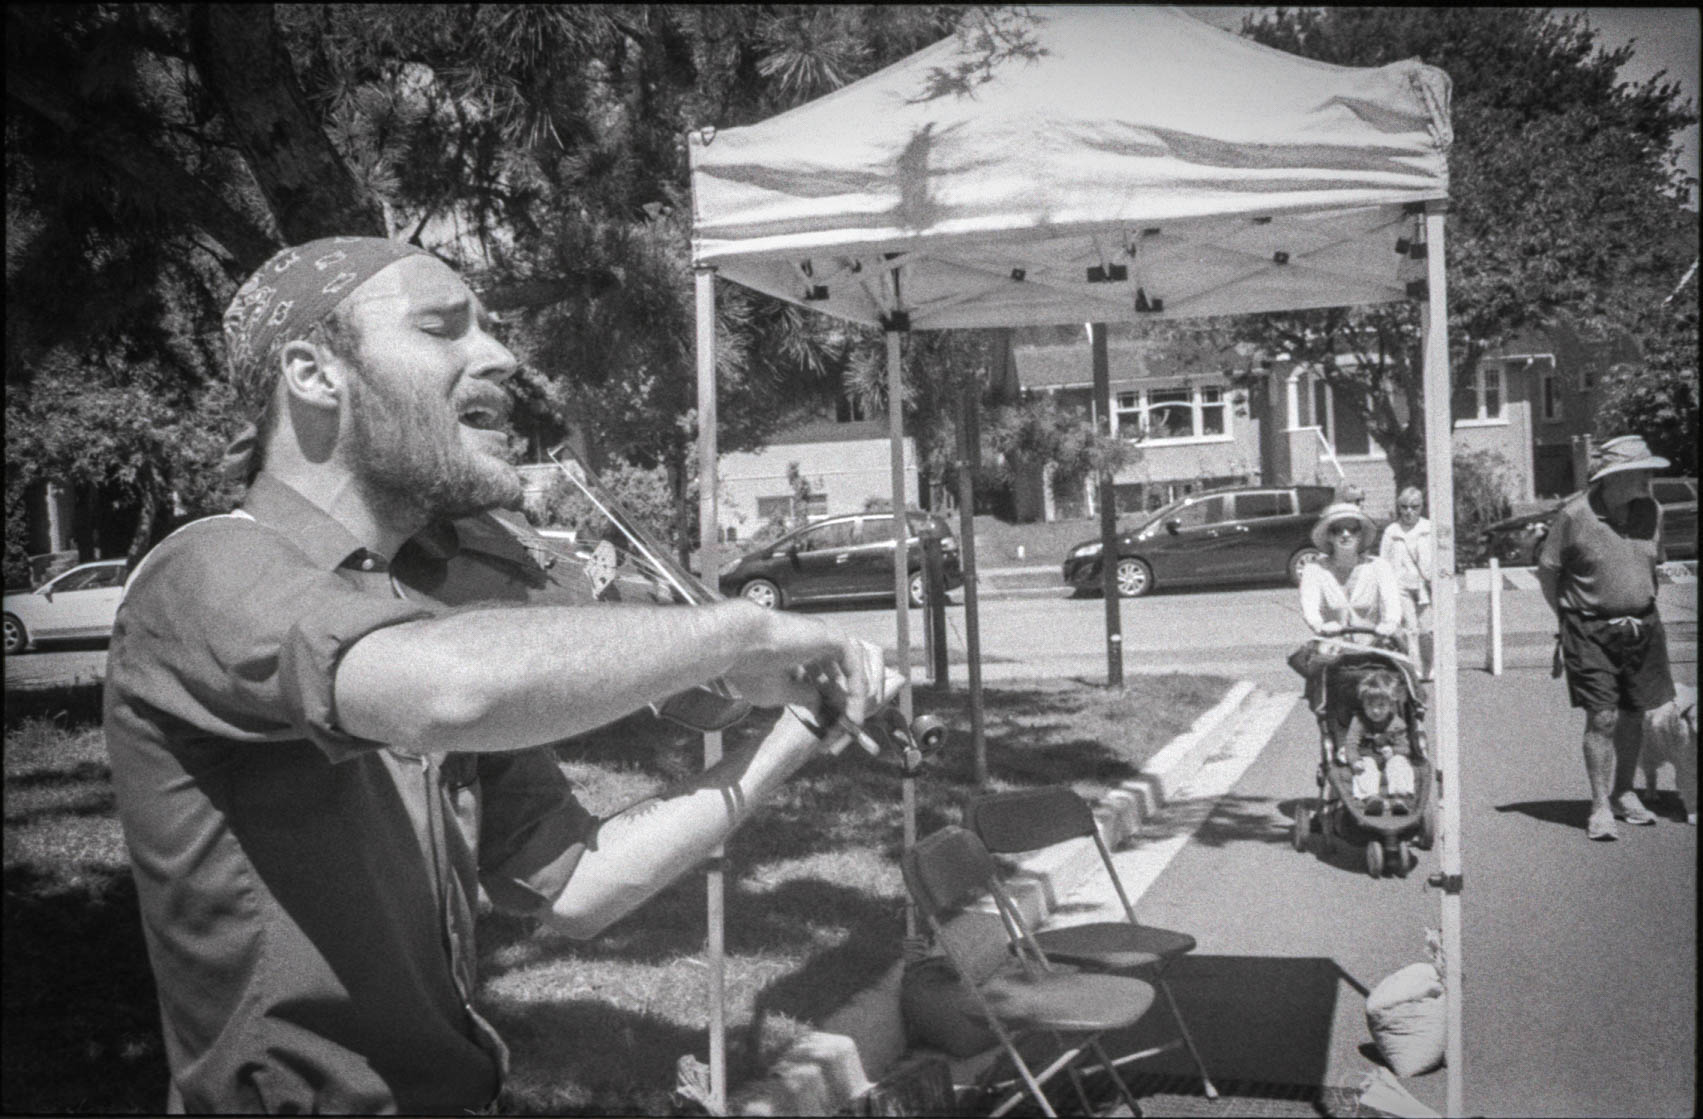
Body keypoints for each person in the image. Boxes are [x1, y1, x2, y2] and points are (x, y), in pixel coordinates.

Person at [103, 236, 893, 1114]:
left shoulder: (423, 605)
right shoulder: (207, 575)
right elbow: (450, 691)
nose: (502, 356)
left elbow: (578, 885)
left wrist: (799, 729)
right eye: (443, 327)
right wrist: (736, 628)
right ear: (313, 373)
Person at [1536, 434, 1676, 842]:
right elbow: (1548, 572)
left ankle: (1624, 792)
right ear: (1615, 477)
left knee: (1634, 712)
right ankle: (1599, 806)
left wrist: (1637, 606)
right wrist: (1566, 619)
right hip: (1588, 628)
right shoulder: (1574, 516)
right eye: (1641, 472)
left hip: (1642, 626)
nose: (1649, 478)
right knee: (1603, 715)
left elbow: (1653, 567)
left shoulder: (1653, 511)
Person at [1298, 502, 1410, 801]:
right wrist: (1322, 624)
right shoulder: (1315, 570)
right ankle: (1342, 751)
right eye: (1338, 529)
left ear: (1361, 535)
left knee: (1396, 689)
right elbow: (1310, 607)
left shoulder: (1378, 568)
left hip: (1374, 651)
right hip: (1337, 652)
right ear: (1329, 536)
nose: (1346, 534)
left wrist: (1387, 624)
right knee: (1335, 700)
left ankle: (1399, 752)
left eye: (1352, 528)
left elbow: (1392, 606)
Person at [1380, 486, 1436, 681]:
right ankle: (1415, 669)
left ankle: (1430, 666)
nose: (1409, 511)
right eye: (1404, 507)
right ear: (1399, 507)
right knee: (1409, 629)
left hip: (1423, 586)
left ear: (1421, 507)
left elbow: (1441, 559)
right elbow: (1383, 563)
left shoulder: (1429, 528)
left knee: (1426, 630)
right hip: (1401, 586)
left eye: (1414, 506)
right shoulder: (1391, 531)